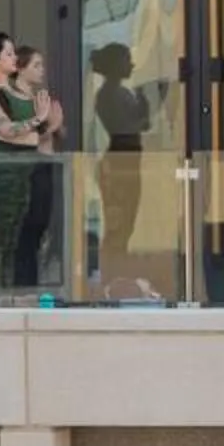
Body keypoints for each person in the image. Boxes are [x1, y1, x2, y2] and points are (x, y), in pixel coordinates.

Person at [0, 34, 46, 291]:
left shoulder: (17, 92)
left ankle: (7, 294)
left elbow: (31, 135)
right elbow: (6, 129)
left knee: (17, 240)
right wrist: (37, 121)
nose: (14, 58)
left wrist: (37, 127)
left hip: (26, 172)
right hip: (4, 176)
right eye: (8, 53)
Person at [91, 44, 152, 281]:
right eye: (127, 60)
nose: (132, 65)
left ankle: (116, 274)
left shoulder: (117, 93)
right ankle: (110, 275)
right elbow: (127, 127)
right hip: (120, 160)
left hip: (126, 159)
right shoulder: (110, 94)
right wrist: (145, 106)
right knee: (119, 222)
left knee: (125, 223)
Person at [12, 45, 66, 289]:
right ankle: (23, 282)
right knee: (29, 227)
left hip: (46, 164)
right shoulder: (15, 101)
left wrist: (57, 126)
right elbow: (25, 137)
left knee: (41, 227)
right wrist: (51, 126)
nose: (42, 70)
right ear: (20, 69)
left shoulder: (39, 98)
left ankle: (32, 281)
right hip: (29, 169)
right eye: (36, 65)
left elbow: (55, 132)